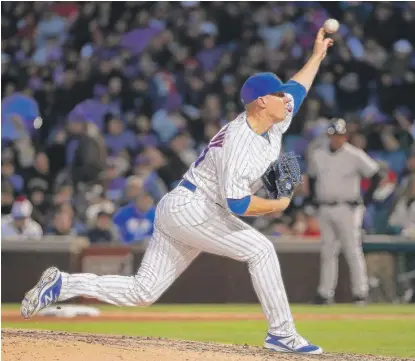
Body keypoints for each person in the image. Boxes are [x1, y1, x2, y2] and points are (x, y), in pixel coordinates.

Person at [20, 27, 334, 354]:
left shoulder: (274, 119)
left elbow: (298, 88)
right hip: (195, 209)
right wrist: (277, 205)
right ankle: (281, 333)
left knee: (143, 292)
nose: (287, 99)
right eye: (278, 94)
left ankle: (62, 284)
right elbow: (238, 202)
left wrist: (316, 56)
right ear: (260, 101)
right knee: (261, 250)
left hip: (184, 207)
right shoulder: (240, 142)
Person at [308, 118, 383, 305]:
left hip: (348, 207)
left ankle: (360, 292)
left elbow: (376, 174)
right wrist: (312, 201)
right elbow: (311, 178)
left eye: (340, 135)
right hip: (325, 206)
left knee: (352, 250)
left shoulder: (354, 154)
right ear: (328, 136)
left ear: (345, 136)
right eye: (334, 135)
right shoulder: (318, 155)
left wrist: (367, 199)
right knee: (327, 251)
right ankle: (325, 293)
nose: (336, 139)